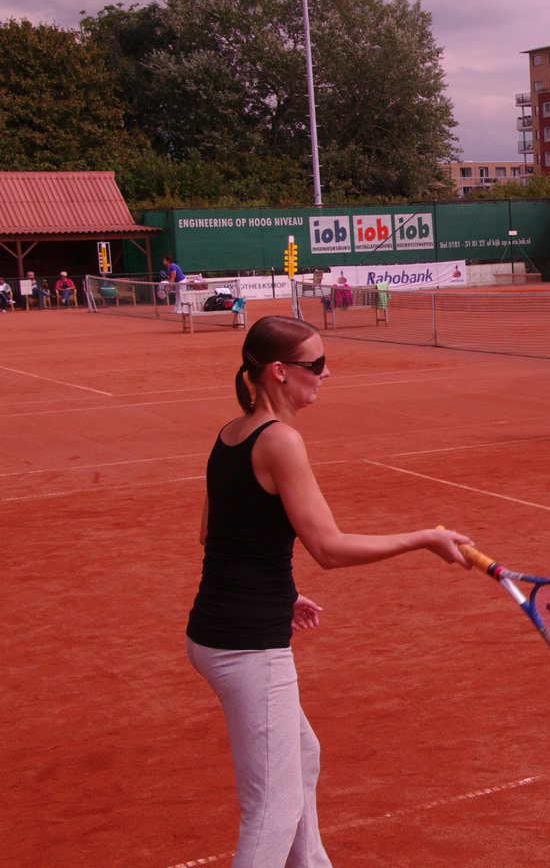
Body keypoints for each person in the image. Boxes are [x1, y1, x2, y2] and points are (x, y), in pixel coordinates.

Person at [185, 315, 476, 868]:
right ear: (279, 372)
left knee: (303, 755)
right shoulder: (281, 441)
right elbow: (329, 548)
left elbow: (214, 533)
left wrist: (280, 592)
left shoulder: (231, 434)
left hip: (215, 631)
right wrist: (424, 538)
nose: (325, 372)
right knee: (272, 808)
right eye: (315, 363)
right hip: (247, 644)